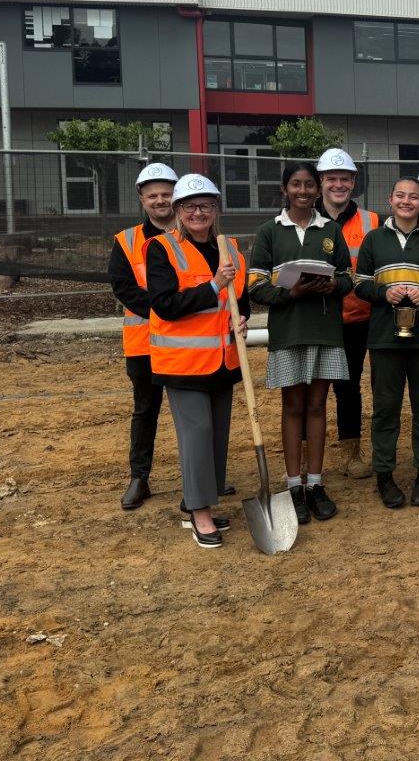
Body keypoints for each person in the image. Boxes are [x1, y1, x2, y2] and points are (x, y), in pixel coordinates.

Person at [247, 161, 353, 525]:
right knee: (293, 407)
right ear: (284, 189)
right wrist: (290, 292)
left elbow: (347, 278)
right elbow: (256, 286)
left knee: (318, 407)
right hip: (289, 331)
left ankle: (317, 484)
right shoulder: (269, 232)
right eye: (297, 185)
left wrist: (332, 286)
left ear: (318, 189)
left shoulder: (332, 231)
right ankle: (294, 485)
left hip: (325, 330)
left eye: (310, 185)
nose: (304, 191)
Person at [145, 174, 248, 548]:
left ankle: (202, 500)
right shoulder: (161, 249)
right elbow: (165, 304)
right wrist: (213, 287)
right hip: (183, 363)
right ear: (177, 212)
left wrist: (243, 316)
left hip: (222, 360)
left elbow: (242, 294)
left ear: (216, 209)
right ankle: (199, 512)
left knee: (217, 435)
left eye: (205, 205)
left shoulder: (231, 248)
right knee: (197, 435)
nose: (198, 212)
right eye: (189, 206)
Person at [354, 177, 419, 508]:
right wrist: (384, 293)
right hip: (384, 338)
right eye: (400, 196)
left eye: (413, 197)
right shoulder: (374, 239)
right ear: (391, 199)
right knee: (385, 409)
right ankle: (385, 474)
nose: (407, 201)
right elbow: (360, 285)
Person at [109, 161, 178, 511]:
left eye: (166, 194)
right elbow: (123, 287)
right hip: (144, 345)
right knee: (145, 410)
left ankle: (205, 475)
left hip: (188, 345)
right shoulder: (127, 241)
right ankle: (140, 477)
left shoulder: (194, 234)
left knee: (191, 412)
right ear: (142, 198)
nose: (161, 201)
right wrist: (166, 309)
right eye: (153, 195)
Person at [315, 148, 380, 481]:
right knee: (311, 388)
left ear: (353, 182)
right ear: (320, 182)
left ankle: (351, 452)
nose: (338, 185)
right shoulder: (303, 218)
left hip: (358, 318)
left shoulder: (371, 221)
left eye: (344, 179)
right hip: (317, 318)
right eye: (331, 179)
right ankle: (307, 455)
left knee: (348, 386)